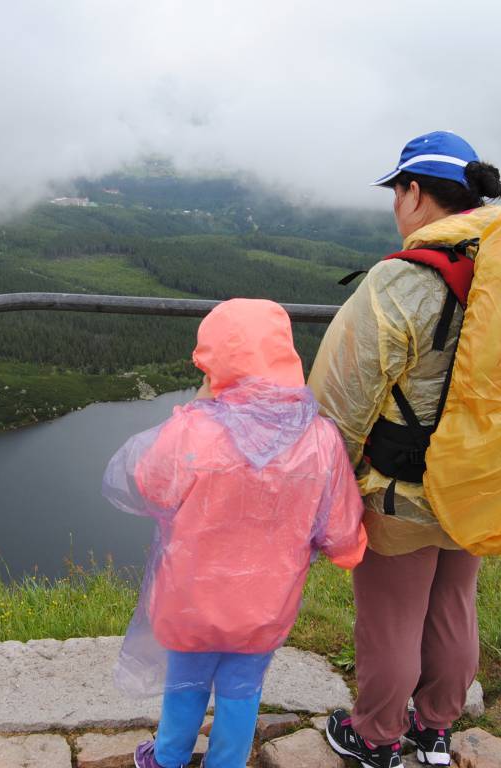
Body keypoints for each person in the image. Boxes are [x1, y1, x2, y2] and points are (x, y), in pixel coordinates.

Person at [308, 131, 501, 768]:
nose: (395, 204)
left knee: (392, 615)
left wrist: (328, 483)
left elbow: (342, 395)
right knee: (453, 604)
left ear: (415, 192)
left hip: (402, 486)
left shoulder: (402, 280)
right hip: (479, 477)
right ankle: (435, 727)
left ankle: (375, 735)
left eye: (397, 191)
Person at [102, 298, 367, 768]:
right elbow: (341, 530)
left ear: (215, 362)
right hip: (264, 608)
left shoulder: (194, 430)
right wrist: (349, 552)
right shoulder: (320, 438)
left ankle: (167, 757)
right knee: (242, 689)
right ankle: (226, 762)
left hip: (191, 601)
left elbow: (150, 486)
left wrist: (195, 409)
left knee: (185, 684)